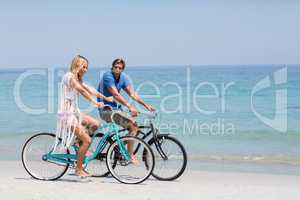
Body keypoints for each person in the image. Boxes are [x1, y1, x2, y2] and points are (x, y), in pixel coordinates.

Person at [56, 55, 113, 177]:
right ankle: (78, 169)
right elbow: (81, 91)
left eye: (87, 67)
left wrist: (105, 98)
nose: (86, 69)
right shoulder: (69, 77)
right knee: (87, 140)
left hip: (74, 113)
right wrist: (95, 103)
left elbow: (90, 89)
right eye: (84, 66)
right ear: (77, 65)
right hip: (66, 114)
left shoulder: (77, 78)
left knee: (95, 124)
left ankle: (77, 142)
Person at [97, 58, 155, 163]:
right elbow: (115, 94)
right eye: (116, 67)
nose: (117, 69)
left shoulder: (122, 78)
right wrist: (130, 107)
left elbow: (132, 94)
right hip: (106, 111)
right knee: (133, 126)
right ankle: (129, 155)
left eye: (120, 68)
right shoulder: (107, 76)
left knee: (135, 127)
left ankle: (118, 148)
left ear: (122, 69)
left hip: (116, 109)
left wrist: (146, 106)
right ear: (112, 67)